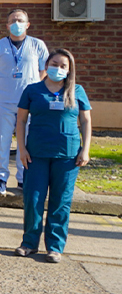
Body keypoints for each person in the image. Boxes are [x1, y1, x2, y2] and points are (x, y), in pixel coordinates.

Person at [14, 49, 91, 264]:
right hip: (36, 154)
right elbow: (20, 121)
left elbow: (85, 121)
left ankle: (55, 247)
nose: (58, 68)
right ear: (46, 65)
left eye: (63, 65)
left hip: (67, 156)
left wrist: (85, 150)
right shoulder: (32, 90)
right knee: (33, 199)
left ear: (69, 70)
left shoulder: (77, 91)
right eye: (54, 63)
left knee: (61, 202)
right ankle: (29, 243)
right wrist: (22, 149)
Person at [0, 8, 48, 194]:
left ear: (27, 24)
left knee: (26, 142)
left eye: (20, 20)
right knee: (1, 140)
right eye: (13, 20)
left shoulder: (37, 45)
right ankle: (1, 178)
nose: (16, 23)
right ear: (7, 25)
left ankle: (22, 178)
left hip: (29, 103)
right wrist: (3, 85)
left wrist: (35, 86)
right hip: (3, 101)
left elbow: (43, 69)